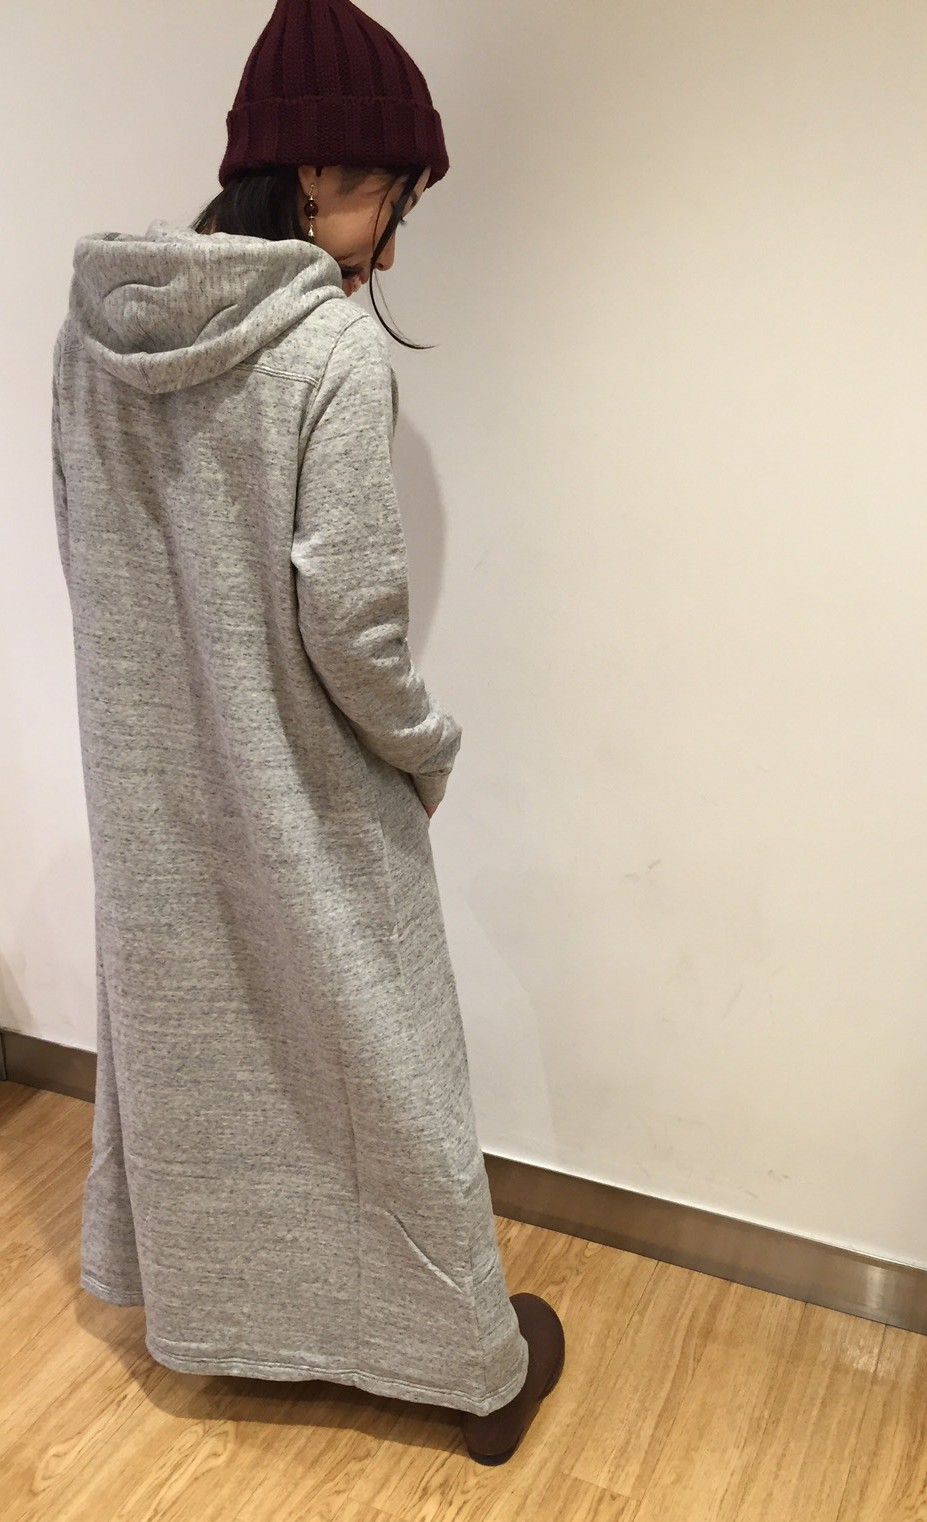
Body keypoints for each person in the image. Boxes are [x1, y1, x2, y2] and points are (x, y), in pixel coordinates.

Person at [50, 0, 564, 1468]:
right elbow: (352, 629)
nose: (390, 246)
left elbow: (89, 556)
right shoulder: (329, 355)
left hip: (155, 788)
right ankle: (470, 1367)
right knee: (388, 1059)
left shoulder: (91, 339)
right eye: (392, 198)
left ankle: (225, 1323)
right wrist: (427, 747)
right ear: (323, 170)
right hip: (314, 784)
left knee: (206, 1050)